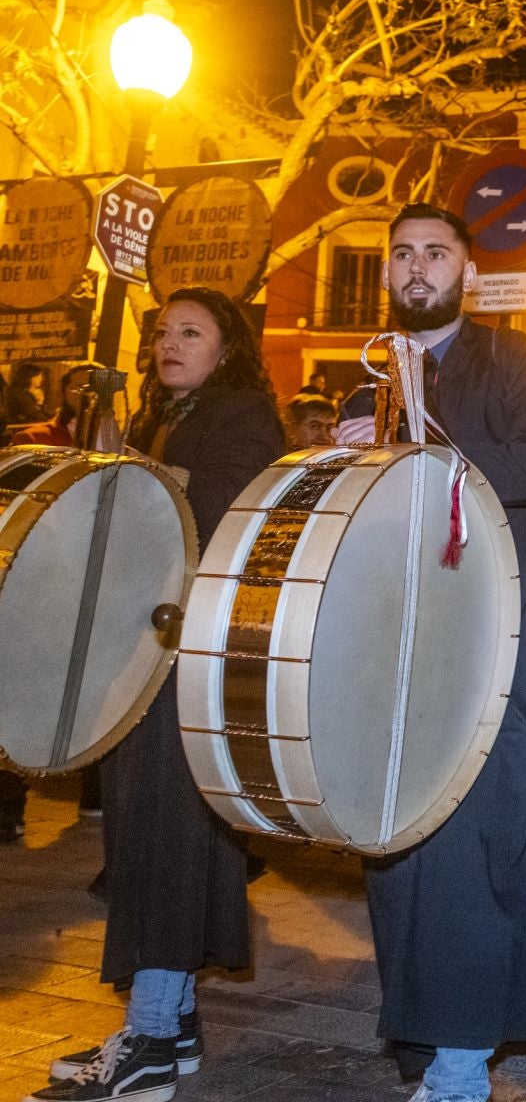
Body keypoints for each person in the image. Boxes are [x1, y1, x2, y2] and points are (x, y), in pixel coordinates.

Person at [334, 204, 526, 1102]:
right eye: (402, 253)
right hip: (399, 643)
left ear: (468, 275)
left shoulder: (518, 361)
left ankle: (460, 1062)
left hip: (495, 639)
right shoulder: (370, 382)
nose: (417, 267)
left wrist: (411, 451)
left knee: (474, 845)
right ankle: (423, 1032)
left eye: (436, 253)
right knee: (396, 842)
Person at [32, 287, 285, 1102]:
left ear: (227, 347)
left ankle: (147, 1039)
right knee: (145, 837)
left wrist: (130, 470)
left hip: (189, 653)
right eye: (162, 332)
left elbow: (212, 514)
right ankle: (169, 1028)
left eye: (190, 332)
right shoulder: (158, 417)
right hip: (142, 651)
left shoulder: (244, 415)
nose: (169, 343)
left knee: (169, 838)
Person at [10, 363, 104, 446]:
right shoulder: (33, 438)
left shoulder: (110, 439)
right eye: (79, 386)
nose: (90, 393)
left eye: (97, 387)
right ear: (64, 392)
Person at [4, 360, 50, 428]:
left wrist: (40, 403)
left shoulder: (26, 392)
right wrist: (49, 420)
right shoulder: (19, 393)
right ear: (32, 377)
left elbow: (38, 413)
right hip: (18, 428)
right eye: (40, 376)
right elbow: (33, 413)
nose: (42, 379)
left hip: (26, 425)